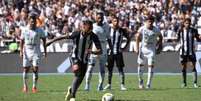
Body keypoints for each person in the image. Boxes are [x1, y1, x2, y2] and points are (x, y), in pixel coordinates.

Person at [46, 19, 102, 101]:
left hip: (85, 59)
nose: (91, 30)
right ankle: (73, 97)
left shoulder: (93, 36)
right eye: (89, 28)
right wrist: (50, 41)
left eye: (91, 28)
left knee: (80, 78)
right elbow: (63, 37)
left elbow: (100, 50)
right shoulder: (76, 33)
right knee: (77, 70)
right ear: (84, 27)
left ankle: (72, 93)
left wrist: (92, 51)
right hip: (74, 56)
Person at [84, 11, 112, 91]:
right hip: (94, 48)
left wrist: (111, 48)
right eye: (98, 17)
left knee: (102, 69)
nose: (100, 19)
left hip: (103, 48)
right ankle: (87, 85)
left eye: (101, 18)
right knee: (90, 68)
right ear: (95, 18)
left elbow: (109, 38)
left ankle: (100, 85)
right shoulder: (92, 26)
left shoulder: (106, 26)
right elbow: (88, 39)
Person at [20, 12, 47, 93]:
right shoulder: (24, 29)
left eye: (34, 21)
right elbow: (21, 41)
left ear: (36, 21)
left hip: (36, 50)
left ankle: (34, 87)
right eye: (31, 21)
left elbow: (44, 40)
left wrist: (45, 51)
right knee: (26, 69)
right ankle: (25, 86)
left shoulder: (39, 30)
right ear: (29, 21)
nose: (33, 23)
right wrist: (21, 51)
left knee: (35, 68)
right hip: (27, 50)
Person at [135, 15, 163, 89]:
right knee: (140, 67)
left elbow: (161, 37)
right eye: (148, 21)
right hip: (143, 50)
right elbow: (137, 37)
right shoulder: (142, 28)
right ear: (146, 22)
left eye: (151, 21)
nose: (150, 23)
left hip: (151, 50)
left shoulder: (156, 29)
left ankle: (148, 85)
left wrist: (159, 46)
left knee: (150, 67)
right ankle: (140, 82)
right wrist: (137, 48)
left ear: (153, 22)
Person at [103, 16, 130, 91]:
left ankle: (122, 85)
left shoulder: (122, 30)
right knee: (109, 69)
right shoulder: (108, 29)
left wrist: (124, 47)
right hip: (110, 53)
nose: (116, 22)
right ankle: (109, 84)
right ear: (112, 22)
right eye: (114, 21)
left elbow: (128, 38)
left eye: (117, 21)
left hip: (118, 52)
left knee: (120, 69)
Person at [177, 16, 201, 88]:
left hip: (191, 52)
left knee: (193, 67)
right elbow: (177, 39)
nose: (188, 24)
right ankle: (184, 83)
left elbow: (198, 39)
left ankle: (195, 83)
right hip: (183, 52)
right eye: (186, 23)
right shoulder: (180, 30)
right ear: (184, 23)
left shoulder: (194, 30)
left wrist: (199, 37)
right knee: (183, 68)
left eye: (189, 23)